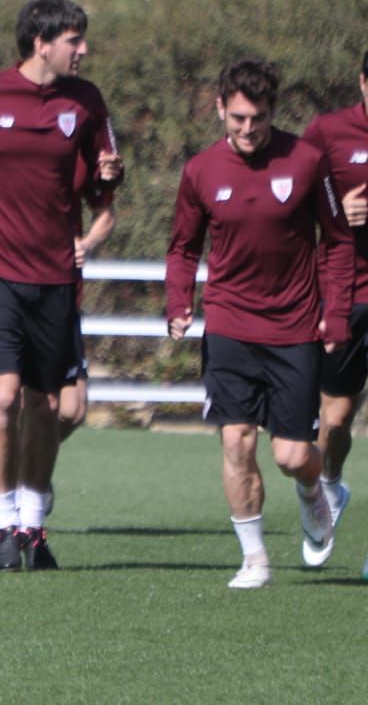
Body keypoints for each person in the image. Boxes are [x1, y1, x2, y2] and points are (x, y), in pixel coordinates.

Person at [0, 0, 122, 572]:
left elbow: (105, 173)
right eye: (73, 40)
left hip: (55, 276)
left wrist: (113, 170)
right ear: (41, 42)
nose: (83, 50)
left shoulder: (85, 101)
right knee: (4, 398)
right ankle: (2, 523)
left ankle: (34, 527)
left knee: (47, 406)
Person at [169, 58, 353, 588]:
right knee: (236, 443)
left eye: (260, 119)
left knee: (293, 455)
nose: (249, 130)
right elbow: (183, 246)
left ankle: (314, 492)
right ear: (220, 109)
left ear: (274, 111)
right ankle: (254, 559)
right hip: (228, 323)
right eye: (239, 118)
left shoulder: (307, 160)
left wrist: (335, 314)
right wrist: (179, 302)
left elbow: (337, 244)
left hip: (294, 328)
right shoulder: (201, 171)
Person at [299, 52, 368, 558]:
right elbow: (290, 204)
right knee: (336, 419)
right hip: (348, 293)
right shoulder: (327, 132)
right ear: (363, 82)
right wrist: (338, 212)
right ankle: (331, 483)